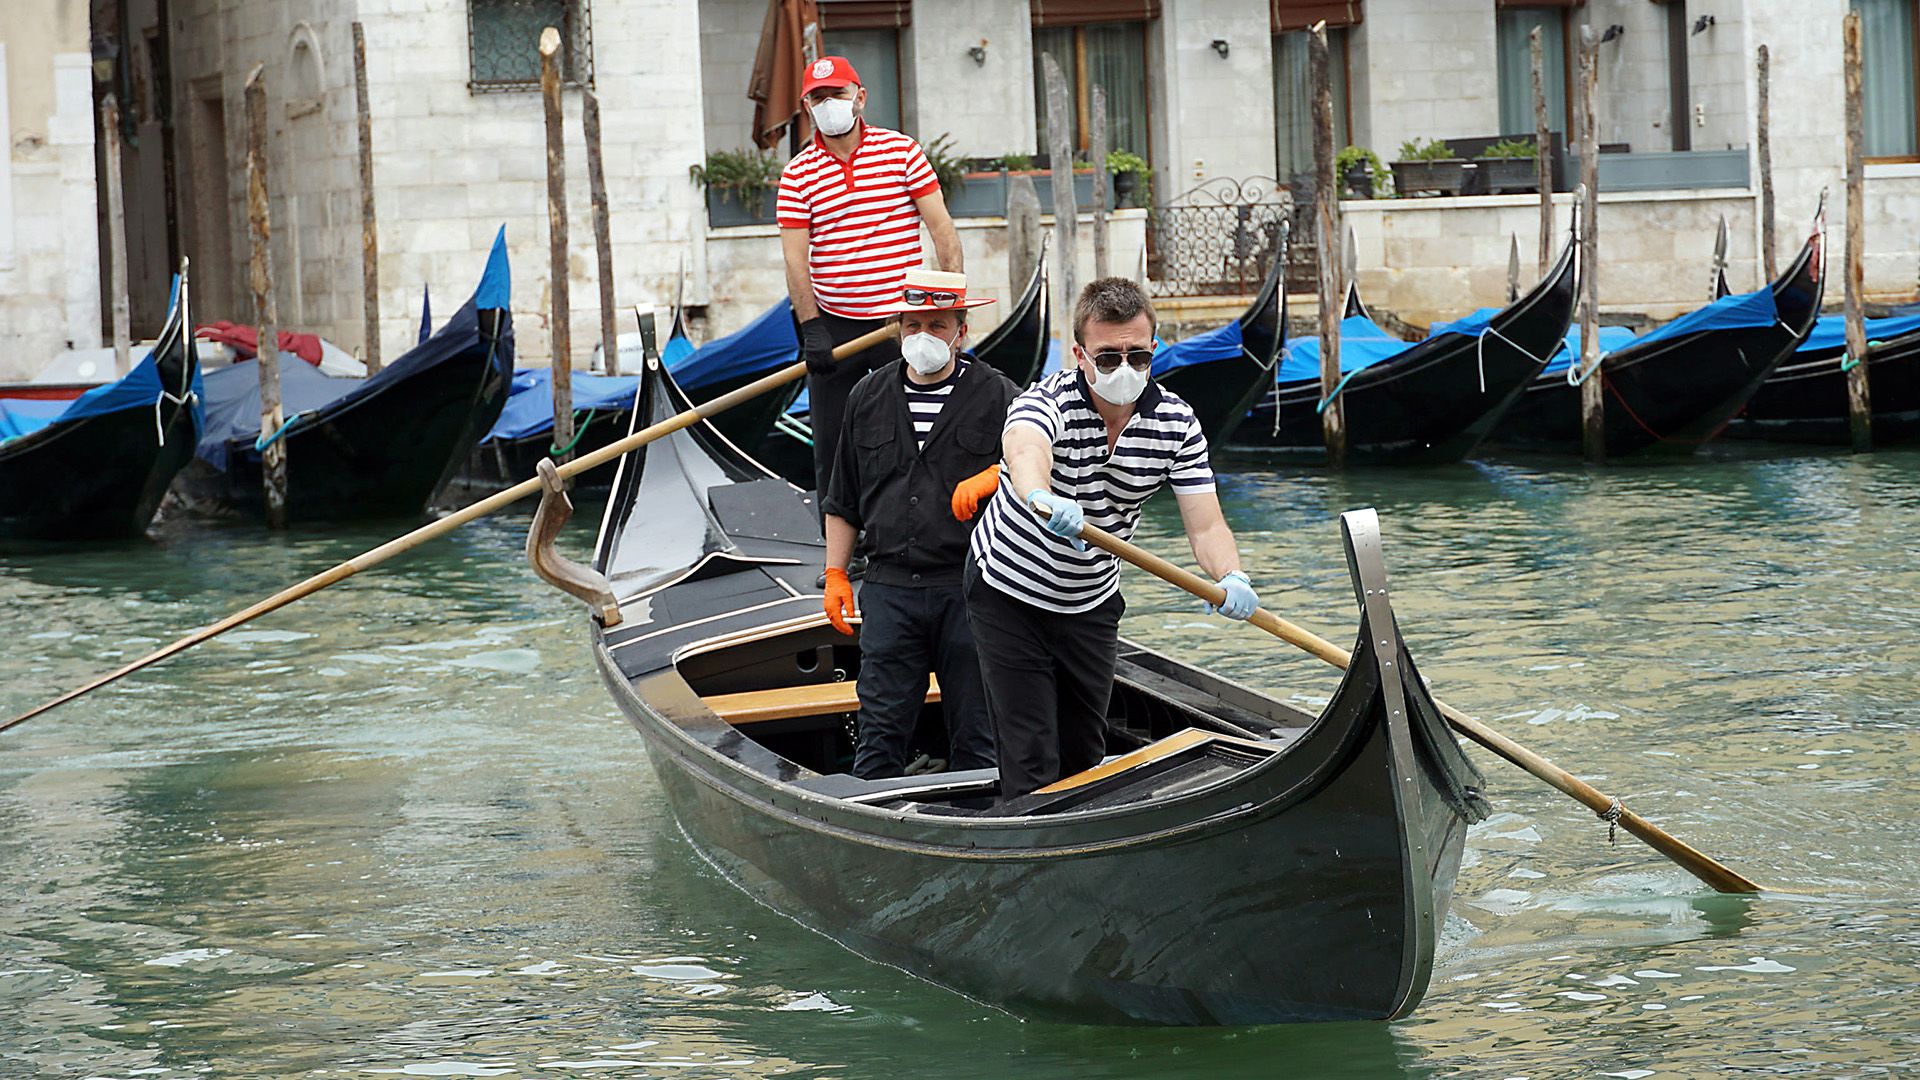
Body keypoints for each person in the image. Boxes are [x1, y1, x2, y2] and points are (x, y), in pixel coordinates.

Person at [961, 277, 1261, 800]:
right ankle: (1033, 859)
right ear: (1078, 353)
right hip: (1008, 591)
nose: (1124, 370)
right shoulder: (1045, 400)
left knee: (1085, 755)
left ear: (1154, 349)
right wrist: (1041, 497)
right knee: (1031, 754)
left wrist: (1229, 574)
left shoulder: (1177, 423)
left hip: (1091, 597)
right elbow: (1026, 448)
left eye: (1138, 357)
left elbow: (1207, 524)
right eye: (1107, 358)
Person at [819, 270, 1018, 779]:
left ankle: (987, 830)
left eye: (936, 324)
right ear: (897, 328)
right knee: (880, 731)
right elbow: (843, 499)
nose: (923, 336)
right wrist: (837, 574)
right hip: (888, 589)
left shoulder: (1000, 396)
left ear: (961, 329)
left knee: (980, 733)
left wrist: (1000, 471)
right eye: (912, 325)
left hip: (974, 587)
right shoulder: (866, 397)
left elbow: (1043, 466)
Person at [776, 55, 963, 513]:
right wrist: (812, 327)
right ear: (807, 106)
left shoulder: (902, 152)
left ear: (859, 97)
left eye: (836, 95)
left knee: (918, 430)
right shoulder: (797, 174)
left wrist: (951, 310)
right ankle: (840, 553)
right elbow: (795, 260)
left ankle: (928, 529)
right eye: (818, 98)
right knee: (834, 445)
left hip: (903, 323)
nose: (828, 104)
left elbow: (942, 231)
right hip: (835, 326)